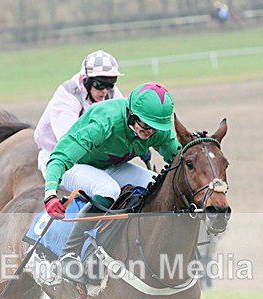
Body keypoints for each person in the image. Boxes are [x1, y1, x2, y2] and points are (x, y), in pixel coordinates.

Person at [43, 82, 181, 283]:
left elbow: (179, 160)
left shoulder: (157, 130)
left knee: (155, 183)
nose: (151, 132)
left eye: (156, 127)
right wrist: (50, 193)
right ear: (131, 115)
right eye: (146, 125)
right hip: (75, 165)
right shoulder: (105, 122)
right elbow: (60, 157)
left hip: (110, 165)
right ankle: (68, 254)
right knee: (108, 189)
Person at [34, 50, 124, 177]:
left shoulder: (111, 92)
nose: (105, 91)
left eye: (110, 85)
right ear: (85, 80)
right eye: (99, 85)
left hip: (92, 153)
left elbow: (122, 121)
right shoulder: (67, 94)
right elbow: (69, 142)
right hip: (58, 154)